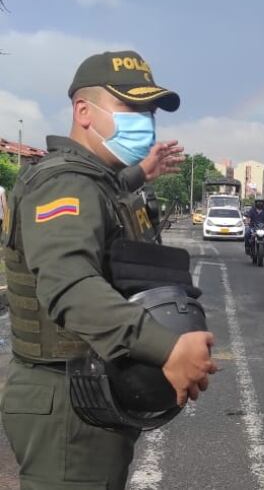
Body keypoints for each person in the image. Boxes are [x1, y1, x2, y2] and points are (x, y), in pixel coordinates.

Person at [0, 50, 216, 488]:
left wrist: (140, 172)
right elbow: (70, 286)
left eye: (150, 111)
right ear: (84, 111)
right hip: (66, 402)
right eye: (131, 108)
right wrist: (166, 349)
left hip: (84, 391)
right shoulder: (66, 183)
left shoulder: (90, 179)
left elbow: (101, 202)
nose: (145, 121)